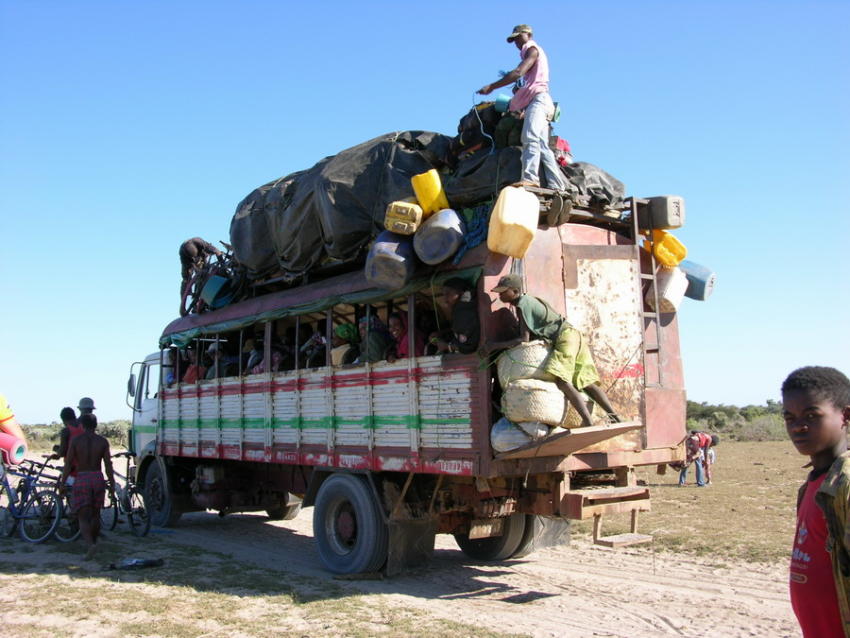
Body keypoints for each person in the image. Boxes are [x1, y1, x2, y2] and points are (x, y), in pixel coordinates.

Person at [485, 273, 619, 428]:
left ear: (515, 291)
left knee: (561, 380)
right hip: (574, 335)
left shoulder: (522, 305)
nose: (500, 295)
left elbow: (524, 339)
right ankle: (614, 417)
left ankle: (588, 422)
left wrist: (493, 346)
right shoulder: (530, 301)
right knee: (585, 382)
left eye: (503, 291)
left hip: (564, 337)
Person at [783, 366, 850, 637]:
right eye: (789, 417)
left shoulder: (844, 484)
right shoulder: (813, 485)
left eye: (812, 415)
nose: (798, 426)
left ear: (845, 416)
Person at [478, 24, 567, 191]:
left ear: (528, 34)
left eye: (518, 37)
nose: (516, 42)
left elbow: (518, 72)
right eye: (514, 40)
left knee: (529, 137)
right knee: (541, 144)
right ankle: (557, 185)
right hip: (539, 102)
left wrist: (492, 86)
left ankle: (530, 178)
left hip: (539, 100)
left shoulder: (532, 50)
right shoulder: (530, 52)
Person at [59, 413, 115, 560]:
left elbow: (68, 463)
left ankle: (90, 545)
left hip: (82, 477)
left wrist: (63, 482)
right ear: (96, 425)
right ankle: (95, 542)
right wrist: (112, 483)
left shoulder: (76, 440)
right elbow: (108, 465)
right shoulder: (103, 441)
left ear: (82, 425)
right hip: (97, 477)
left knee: (83, 516)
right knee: (96, 514)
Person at [431, 278, 480, 355]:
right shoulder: (468, 305)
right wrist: (442, 333)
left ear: (461, 292)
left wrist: (447, 346)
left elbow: (469, 347)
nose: (445, 300)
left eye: (448, 294)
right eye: (444, 295)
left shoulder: (463, 311)